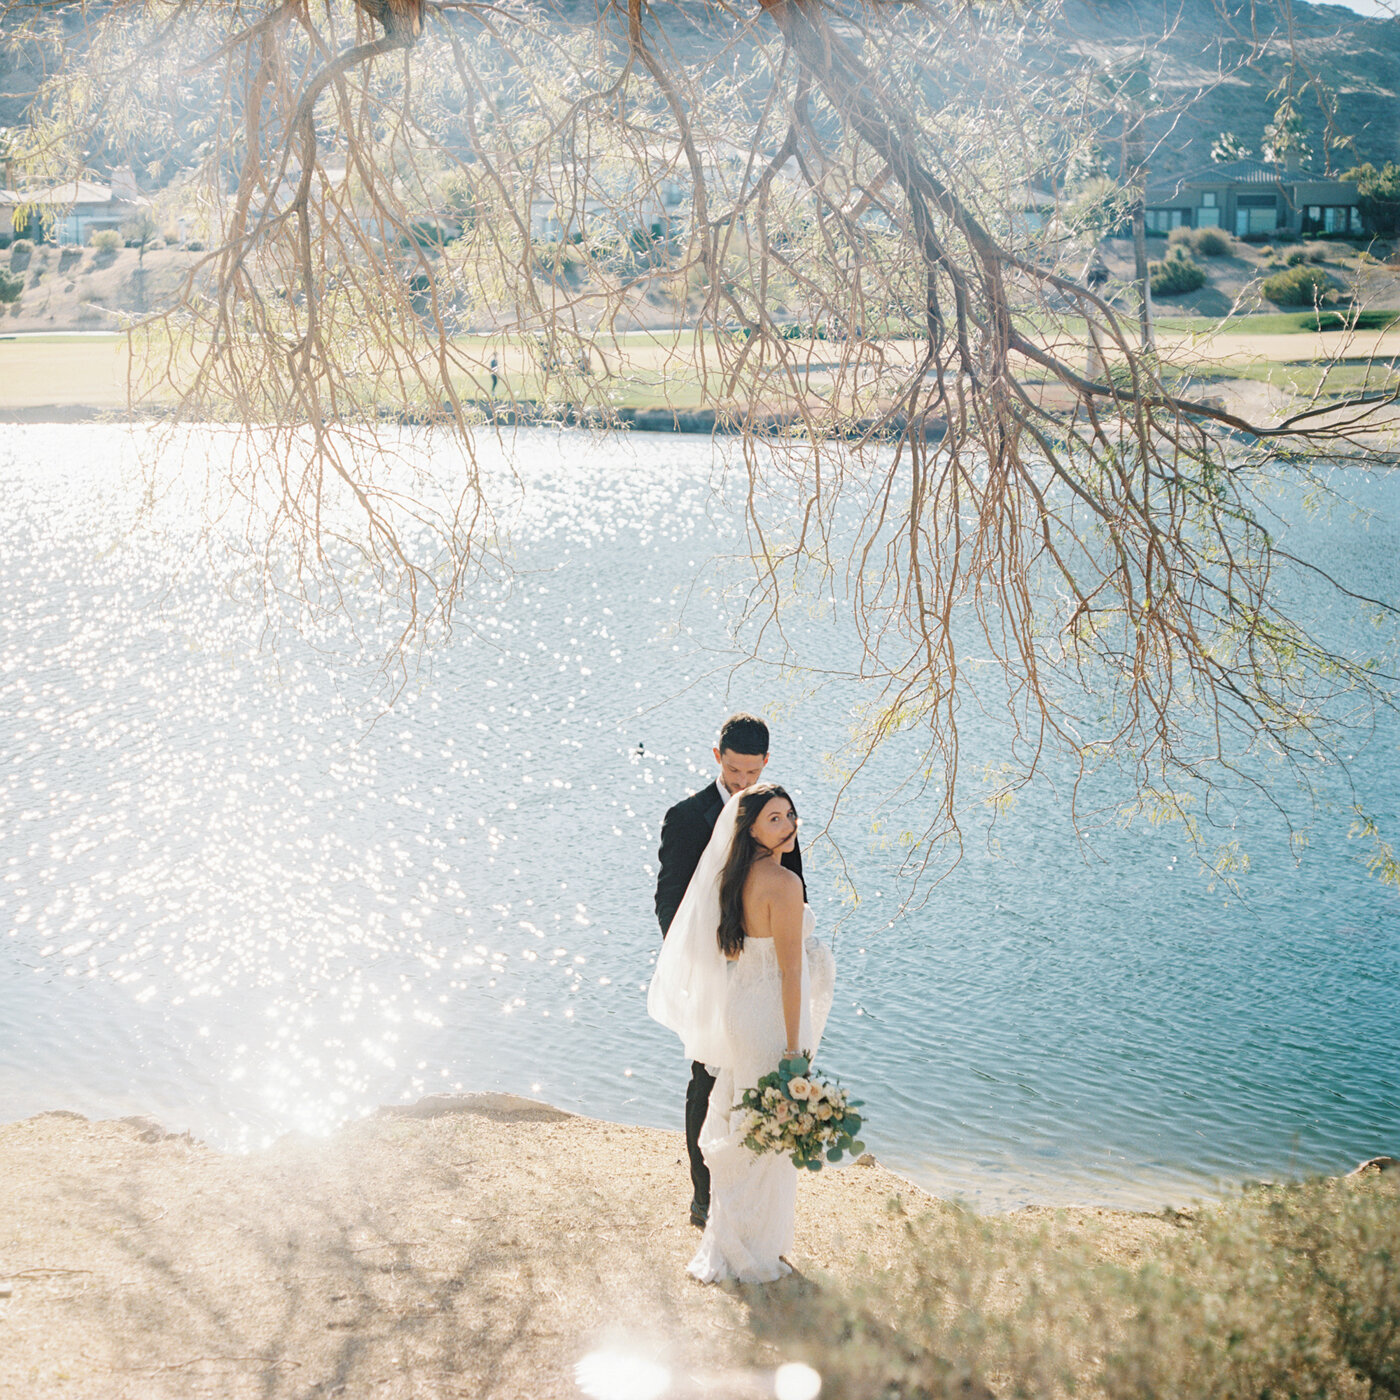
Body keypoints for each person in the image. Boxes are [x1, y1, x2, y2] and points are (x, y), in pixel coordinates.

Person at [649, 783, 835, 1283]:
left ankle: (736, 1235)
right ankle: (750, 1249)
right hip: (772, 1015)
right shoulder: (783, 883)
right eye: (774, 818)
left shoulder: (735, 877)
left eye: (791, 815)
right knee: (767, 1133)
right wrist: (797, 1048)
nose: (789, 824)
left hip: (741, 1010)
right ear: (749, 827)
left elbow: (738, 952)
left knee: (746, 1120)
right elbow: (790, 973)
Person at [654, 715, 803, 1229]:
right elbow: (669, 905)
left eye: (751, 772)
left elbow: (791, 886)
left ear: (767, 763)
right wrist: (705, 966)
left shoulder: (777, 815)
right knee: (707, 1079)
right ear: (717, 757)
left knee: (756, 1082)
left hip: (760, 978)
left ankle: (749, 1196)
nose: (742, 783)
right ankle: (704, 1195)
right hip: (712, 976)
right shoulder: (687, 817)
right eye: (734, 770)